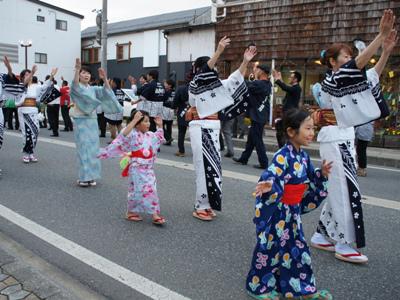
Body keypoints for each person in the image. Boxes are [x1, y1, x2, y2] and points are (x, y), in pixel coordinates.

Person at [310, 10, 397, 264]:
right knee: (345, 190)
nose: (351, 60)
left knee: (339, 188)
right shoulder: (331, 81)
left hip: (343, 137)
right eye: (346, 57)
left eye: (350, 56)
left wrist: (386, 52)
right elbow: (356, 68)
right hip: (334, 138)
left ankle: (322, 235)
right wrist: (380, 36)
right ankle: (345, 244)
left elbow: (370, 76)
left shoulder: (344, 79)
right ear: (333, 63)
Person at [246, 109, 333, 300]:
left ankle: (303, 288)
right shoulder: (282, 156)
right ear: (292, 132)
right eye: (308, 128)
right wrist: (270, 185)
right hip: (277, 211)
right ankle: (259, 287)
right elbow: (271, 175)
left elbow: (310, 178)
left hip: (292, 214)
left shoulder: (303, 156)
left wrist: (321, 174)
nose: (312, 133)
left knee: (298, 250)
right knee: (269, 249)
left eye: (313, 128)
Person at [188, 37, 255, 221]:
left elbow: (235, 80)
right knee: (203, 167)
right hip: (200, 127)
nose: (215, 71)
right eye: (212, 68)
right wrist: (218, 51)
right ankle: (200, 205)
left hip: (212, 127)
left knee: (214, 168)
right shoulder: (195, 85)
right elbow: (204, 73)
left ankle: (208, 204)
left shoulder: (215, 86)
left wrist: (245, 62)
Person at [98, 110, 166, 225]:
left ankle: (153, 213)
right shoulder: (133, 134)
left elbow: (159, 137)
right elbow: (123, 135)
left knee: (151, 189)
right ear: (137, 124)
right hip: (137, 168)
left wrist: (160, 126)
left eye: (149, 121)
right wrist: (134, 120)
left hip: (148, 168)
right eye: (145, 121)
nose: (148, 124)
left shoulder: (149, 135)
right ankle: (133, 213)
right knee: (136, 191)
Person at [70, 58, 122, 187]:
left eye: (88, 73)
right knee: (83, 149)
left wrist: (104, 79)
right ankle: (84, 177)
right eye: (83, 73)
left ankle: (91, 176)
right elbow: (75, 86)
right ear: (79, 75)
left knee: (93, 149)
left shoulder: (92, 89)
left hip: (92, 120)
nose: (86, 75)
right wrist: (77, 69)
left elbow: (107, 92)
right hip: (80, 120)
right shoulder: (76, 87)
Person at [233, 63, 272, 169]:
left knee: (257, 140)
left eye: (257, 69)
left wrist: (240, 75)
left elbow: (245, 85)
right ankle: (244, 158)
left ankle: (264, 162)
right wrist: (254, 77)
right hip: (260, 115)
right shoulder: (267, 84)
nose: (255, 70)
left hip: (258, 116)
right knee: (251, 139)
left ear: (262, 71)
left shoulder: (259, 84)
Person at [16, 67, 57, 162]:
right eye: (26, 75)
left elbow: (45, 87)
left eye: (30, 75)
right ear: (22, 77)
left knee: (35, 132)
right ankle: (26, 153)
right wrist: (32, 72)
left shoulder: (36, 86)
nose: (29, 76)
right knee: (26, 133)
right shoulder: (21, 86)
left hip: (33, 111)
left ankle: (31, 152)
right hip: (24, 111)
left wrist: (52, 76)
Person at [273, 70, 302, 148]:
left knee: (282, 131)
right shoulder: (293, 88)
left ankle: (284, 148)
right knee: (283, 131)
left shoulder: (297, 88)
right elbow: (286, 88)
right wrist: (280, 79)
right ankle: (285, 148)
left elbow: (285, 87)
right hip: (288, 113)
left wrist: (277, 80)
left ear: (295, 79)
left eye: (291, 77)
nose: (289, 78)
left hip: (291, 114)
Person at [172, 73, 191, 157]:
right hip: (195, 112)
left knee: (182, 132)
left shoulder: (181, 88)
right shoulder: (199, 88)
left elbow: (175, 101)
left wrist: (174, 107)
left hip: (183, 111)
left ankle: (181, 151)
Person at [104, 77, 124, 142]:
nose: (111, 83)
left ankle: (113, 139)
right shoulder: (122, 91)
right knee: (119, 124)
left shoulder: (112, 91)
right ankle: (122, 139)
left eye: (112, 82)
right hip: (120, 109)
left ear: (114, 83)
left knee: (112, 125)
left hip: (113, 110)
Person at [162, 79, 175, 145]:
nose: (164, 84)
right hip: (172, 110)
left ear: (170, 85)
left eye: (166, 83)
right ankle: (168, 140)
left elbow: (162, 99)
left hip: (166, 109)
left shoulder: (166, 92)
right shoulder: (174, 92)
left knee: (161, 124)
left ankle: (168, 138)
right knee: (169, 126)